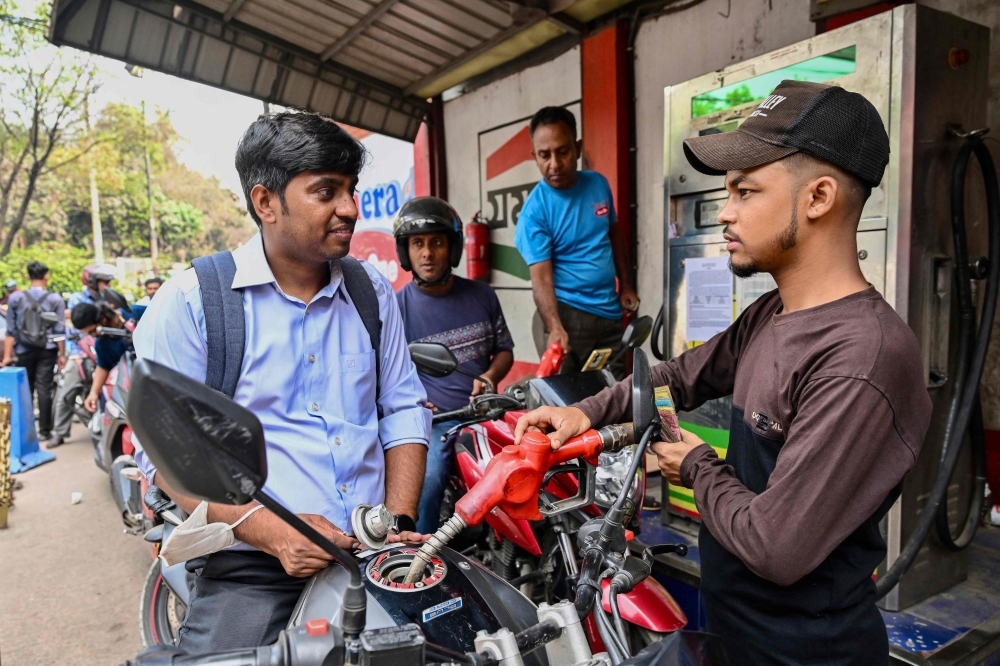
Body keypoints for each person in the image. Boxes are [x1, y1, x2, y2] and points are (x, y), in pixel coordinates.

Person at [514, 81, 932, 666]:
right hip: (739, 632)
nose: (727, 213)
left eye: (745, 191)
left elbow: (776, 545)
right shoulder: (774, 311)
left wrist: (695, 466)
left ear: (818, 197)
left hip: (804, 654)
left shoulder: (862, 357)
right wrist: (584, 412)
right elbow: (680, 376)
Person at [131, 112, 431, 654]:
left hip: (374, 549)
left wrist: (398, 519)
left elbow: (404, 409)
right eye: (326, 191)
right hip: (254, 563)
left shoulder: (372, 294)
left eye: (351, 189)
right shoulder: (193, 304)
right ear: (266, 202)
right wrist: (271, 532)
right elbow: (169, 459)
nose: (350, 209)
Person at [393, 196, 515, 533]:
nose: (427, 253)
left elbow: (504, 350)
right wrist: (414, 403)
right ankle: (422, 558)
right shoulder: (395, 308)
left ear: (453, 248)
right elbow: (383, 377)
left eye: (437, 243)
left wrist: (490, 376)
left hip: (485, 414)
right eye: (417, 244)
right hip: (435, 422)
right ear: (406, 252)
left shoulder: (482, 295)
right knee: (428, 480)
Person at [514, 106, 638, 379]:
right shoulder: (535, 212)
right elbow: (542, 280)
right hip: (567, 318)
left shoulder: (597, 184)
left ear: (578, 148)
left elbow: (613, 236)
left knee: (615, 394)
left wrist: (626, 285)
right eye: (545, 155)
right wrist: (555, 327)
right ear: (534, 157)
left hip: (609, 313)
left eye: (563, 151)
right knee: (569, 402)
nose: (555, 164)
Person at [48, 265, 115, 447]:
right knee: (68, 390)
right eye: (104, 281)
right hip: (81, 352)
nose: (107, 285)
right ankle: (60, 432)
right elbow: (72, 327)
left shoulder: (110, 297)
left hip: (106, 349)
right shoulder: (77, 299)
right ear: (92, 281)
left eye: (109, 282)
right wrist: (75, 353)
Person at [2, 261, 66, 443]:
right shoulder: (55, 299)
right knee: (44, 389)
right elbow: (59, 331)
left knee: (25, 390)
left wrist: (7, 356)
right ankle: (45, 431)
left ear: (28, 277)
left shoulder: (16, 299)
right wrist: (62, 355)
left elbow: (11, 331)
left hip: (24, 349)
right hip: (47, 349)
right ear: (46, 276)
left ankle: (25, 432)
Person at [69, 301, 145, 415]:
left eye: (93, 331)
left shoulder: (135, 313)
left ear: (103, 319)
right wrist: (93, 393)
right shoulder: (102, 343)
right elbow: (103, 366)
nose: (92, 335)